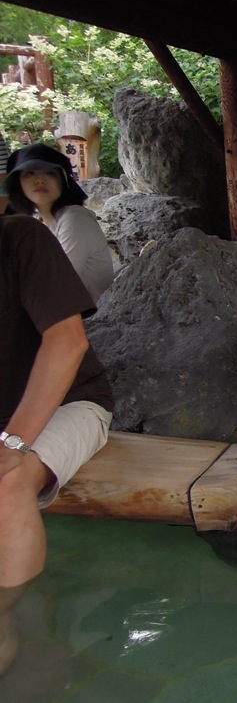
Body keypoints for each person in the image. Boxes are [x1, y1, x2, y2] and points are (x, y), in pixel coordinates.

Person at [0, 196, 115, 675]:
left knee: (6, 485)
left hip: (69, 405)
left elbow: (68, 342)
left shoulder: (20, 239)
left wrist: (12, 443)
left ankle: (4, 618)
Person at [4, 143, 114, 303]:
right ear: (18, 183)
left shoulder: (74, 220)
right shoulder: (40, 223)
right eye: (30, 173)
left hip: (92, 321)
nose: (40, 180)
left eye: (50, 173)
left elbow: (55, 285)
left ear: (63, 181)